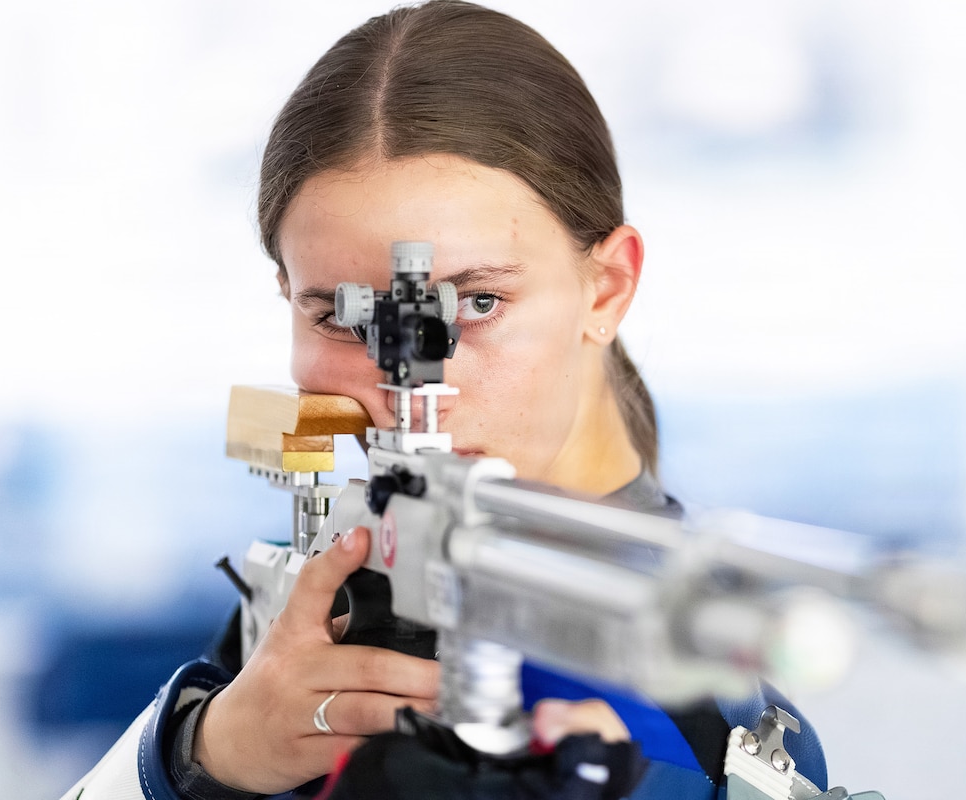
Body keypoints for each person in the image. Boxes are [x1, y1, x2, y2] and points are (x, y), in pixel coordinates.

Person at [60, 2, 827, 798]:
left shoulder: (697, 704)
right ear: (286, 295)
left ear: (608, 287)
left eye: (479, 304)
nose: (409, 390)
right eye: (336, 316)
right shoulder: (321, 602)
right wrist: (208, 751)